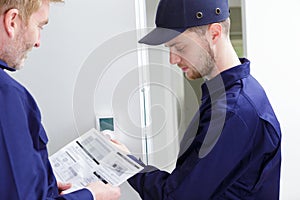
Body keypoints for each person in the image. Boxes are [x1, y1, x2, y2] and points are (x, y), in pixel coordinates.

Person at [125, 0, 282, 199]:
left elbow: (177, 197)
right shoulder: (232, 94)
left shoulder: (233, 110)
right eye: (169, 48)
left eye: (180, 47)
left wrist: (125, 163)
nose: (172, 59)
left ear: (214, 33)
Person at [0, 0, 120, 199]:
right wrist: (91, 196)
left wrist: (39, 180)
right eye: (39, 26)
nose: (37, 41)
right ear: (12, 21)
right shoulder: (6, 95)